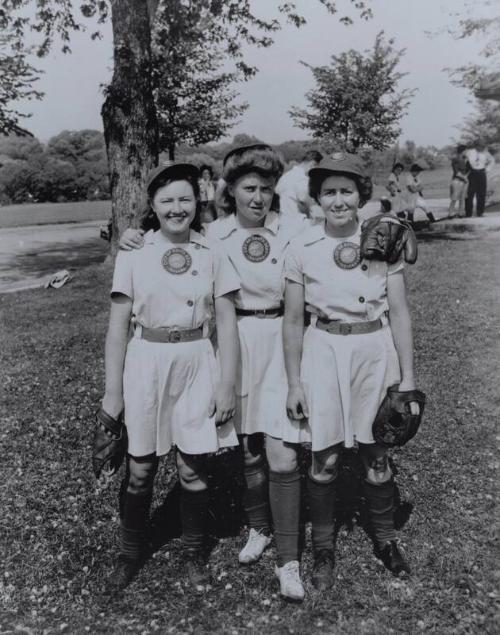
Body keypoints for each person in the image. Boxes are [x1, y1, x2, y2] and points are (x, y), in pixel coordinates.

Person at [118, 145, 310, 602]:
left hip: (279, 335)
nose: (258, 197)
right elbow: (168, 241)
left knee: (281, 453)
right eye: (249, 188)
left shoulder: (295, 231)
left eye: (266, 189)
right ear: (231, 191)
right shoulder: (216, 234)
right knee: (246, 448)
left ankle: (288, 559)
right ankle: (258, 529)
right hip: (230, 344)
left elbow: (344, 232)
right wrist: (131, 234)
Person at [283, 152, 420, 590]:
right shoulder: (301, 247)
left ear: (361, 195)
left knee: (376, 452)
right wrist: (293, 381)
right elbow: (291, 321)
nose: (338, 200)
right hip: (323, 350)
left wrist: (409, 379)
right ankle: (323, 547)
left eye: (346, 191)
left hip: (373, 351)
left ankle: (385, 538)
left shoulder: (383, 237)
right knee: (323, 458)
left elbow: (398, 313)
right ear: (316, 198)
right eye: (328, 192)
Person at [101, 162, 240, 593]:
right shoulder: (134, 252)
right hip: (146, 361)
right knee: (140, 469)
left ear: (196, 201)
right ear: (153, 205)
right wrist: (113, 394)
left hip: (197, 359)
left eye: (184, 198)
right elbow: (116, 328)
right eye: (167, 200)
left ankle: (194, 553)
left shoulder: (212, 250)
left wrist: (226, 384)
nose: (177, 208)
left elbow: (227, 324)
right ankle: (129, 553)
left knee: (193, 470)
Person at [275, 149, 323, 221]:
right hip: (297, 221)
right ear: (313, 164)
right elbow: (303, 198)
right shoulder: (302, 178)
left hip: (281, 219)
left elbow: (277, 192)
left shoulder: (285, 176)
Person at [465, 141, 494, 217]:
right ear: (476, 146)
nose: (482, 148)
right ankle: (468, 212)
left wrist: (487, 169)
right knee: (469, 193)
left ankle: (480, 212)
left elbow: (492, 161)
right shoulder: (469, 152)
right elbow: (465, 161)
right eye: (480, 146)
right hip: (472, 173)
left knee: (481, 193)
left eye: (483, 146)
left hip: (481, 173)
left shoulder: (486, 153)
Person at [448, 145, 469, 219]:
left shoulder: (464, 159)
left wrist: (465, 177)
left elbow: (464, 170)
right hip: (457, 181)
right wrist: (465, 178)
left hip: (463, 181)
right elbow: (456, 172)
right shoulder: (455, 159)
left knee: (462, 198)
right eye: (466, 150)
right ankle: (450, 213)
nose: (466, 152)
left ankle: (460, 213)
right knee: (454, 198)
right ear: (463, 151)